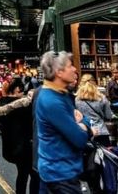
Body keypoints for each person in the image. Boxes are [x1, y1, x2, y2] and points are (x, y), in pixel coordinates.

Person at [36, 51, 93, 193]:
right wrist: (86, 126)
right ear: (59, 72)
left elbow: (80, 117)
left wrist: (82, 123)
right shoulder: (52, 101)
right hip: (60, 176)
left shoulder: (62, 93)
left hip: (60, 171)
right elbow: (79, 139)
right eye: (70, 66)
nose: (74, 69)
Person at [0, 77, 39, 194]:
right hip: (25, 146)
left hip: (10, 146)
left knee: (22, 174)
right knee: (34, 175)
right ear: (17, 89)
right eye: (22, 89)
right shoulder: (23, 105)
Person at [75, 74, 112, 146]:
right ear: (94, 84)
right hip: (101, 132)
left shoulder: (76, 100)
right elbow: (108, 116)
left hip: (85, 133)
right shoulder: (102, 98)